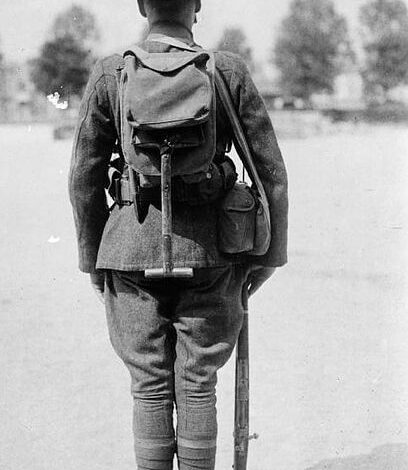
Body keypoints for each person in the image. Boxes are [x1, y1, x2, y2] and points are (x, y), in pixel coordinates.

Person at [68, 1, 288, 469]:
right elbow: (271, 172)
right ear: (197, 6)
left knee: (148, 386)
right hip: (212, 253)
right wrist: (270, 254)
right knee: (197, 383)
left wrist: (93, 261)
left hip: (128, 252)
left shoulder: (112, 73)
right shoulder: (225, 71)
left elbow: (83, 178)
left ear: (144, 6)